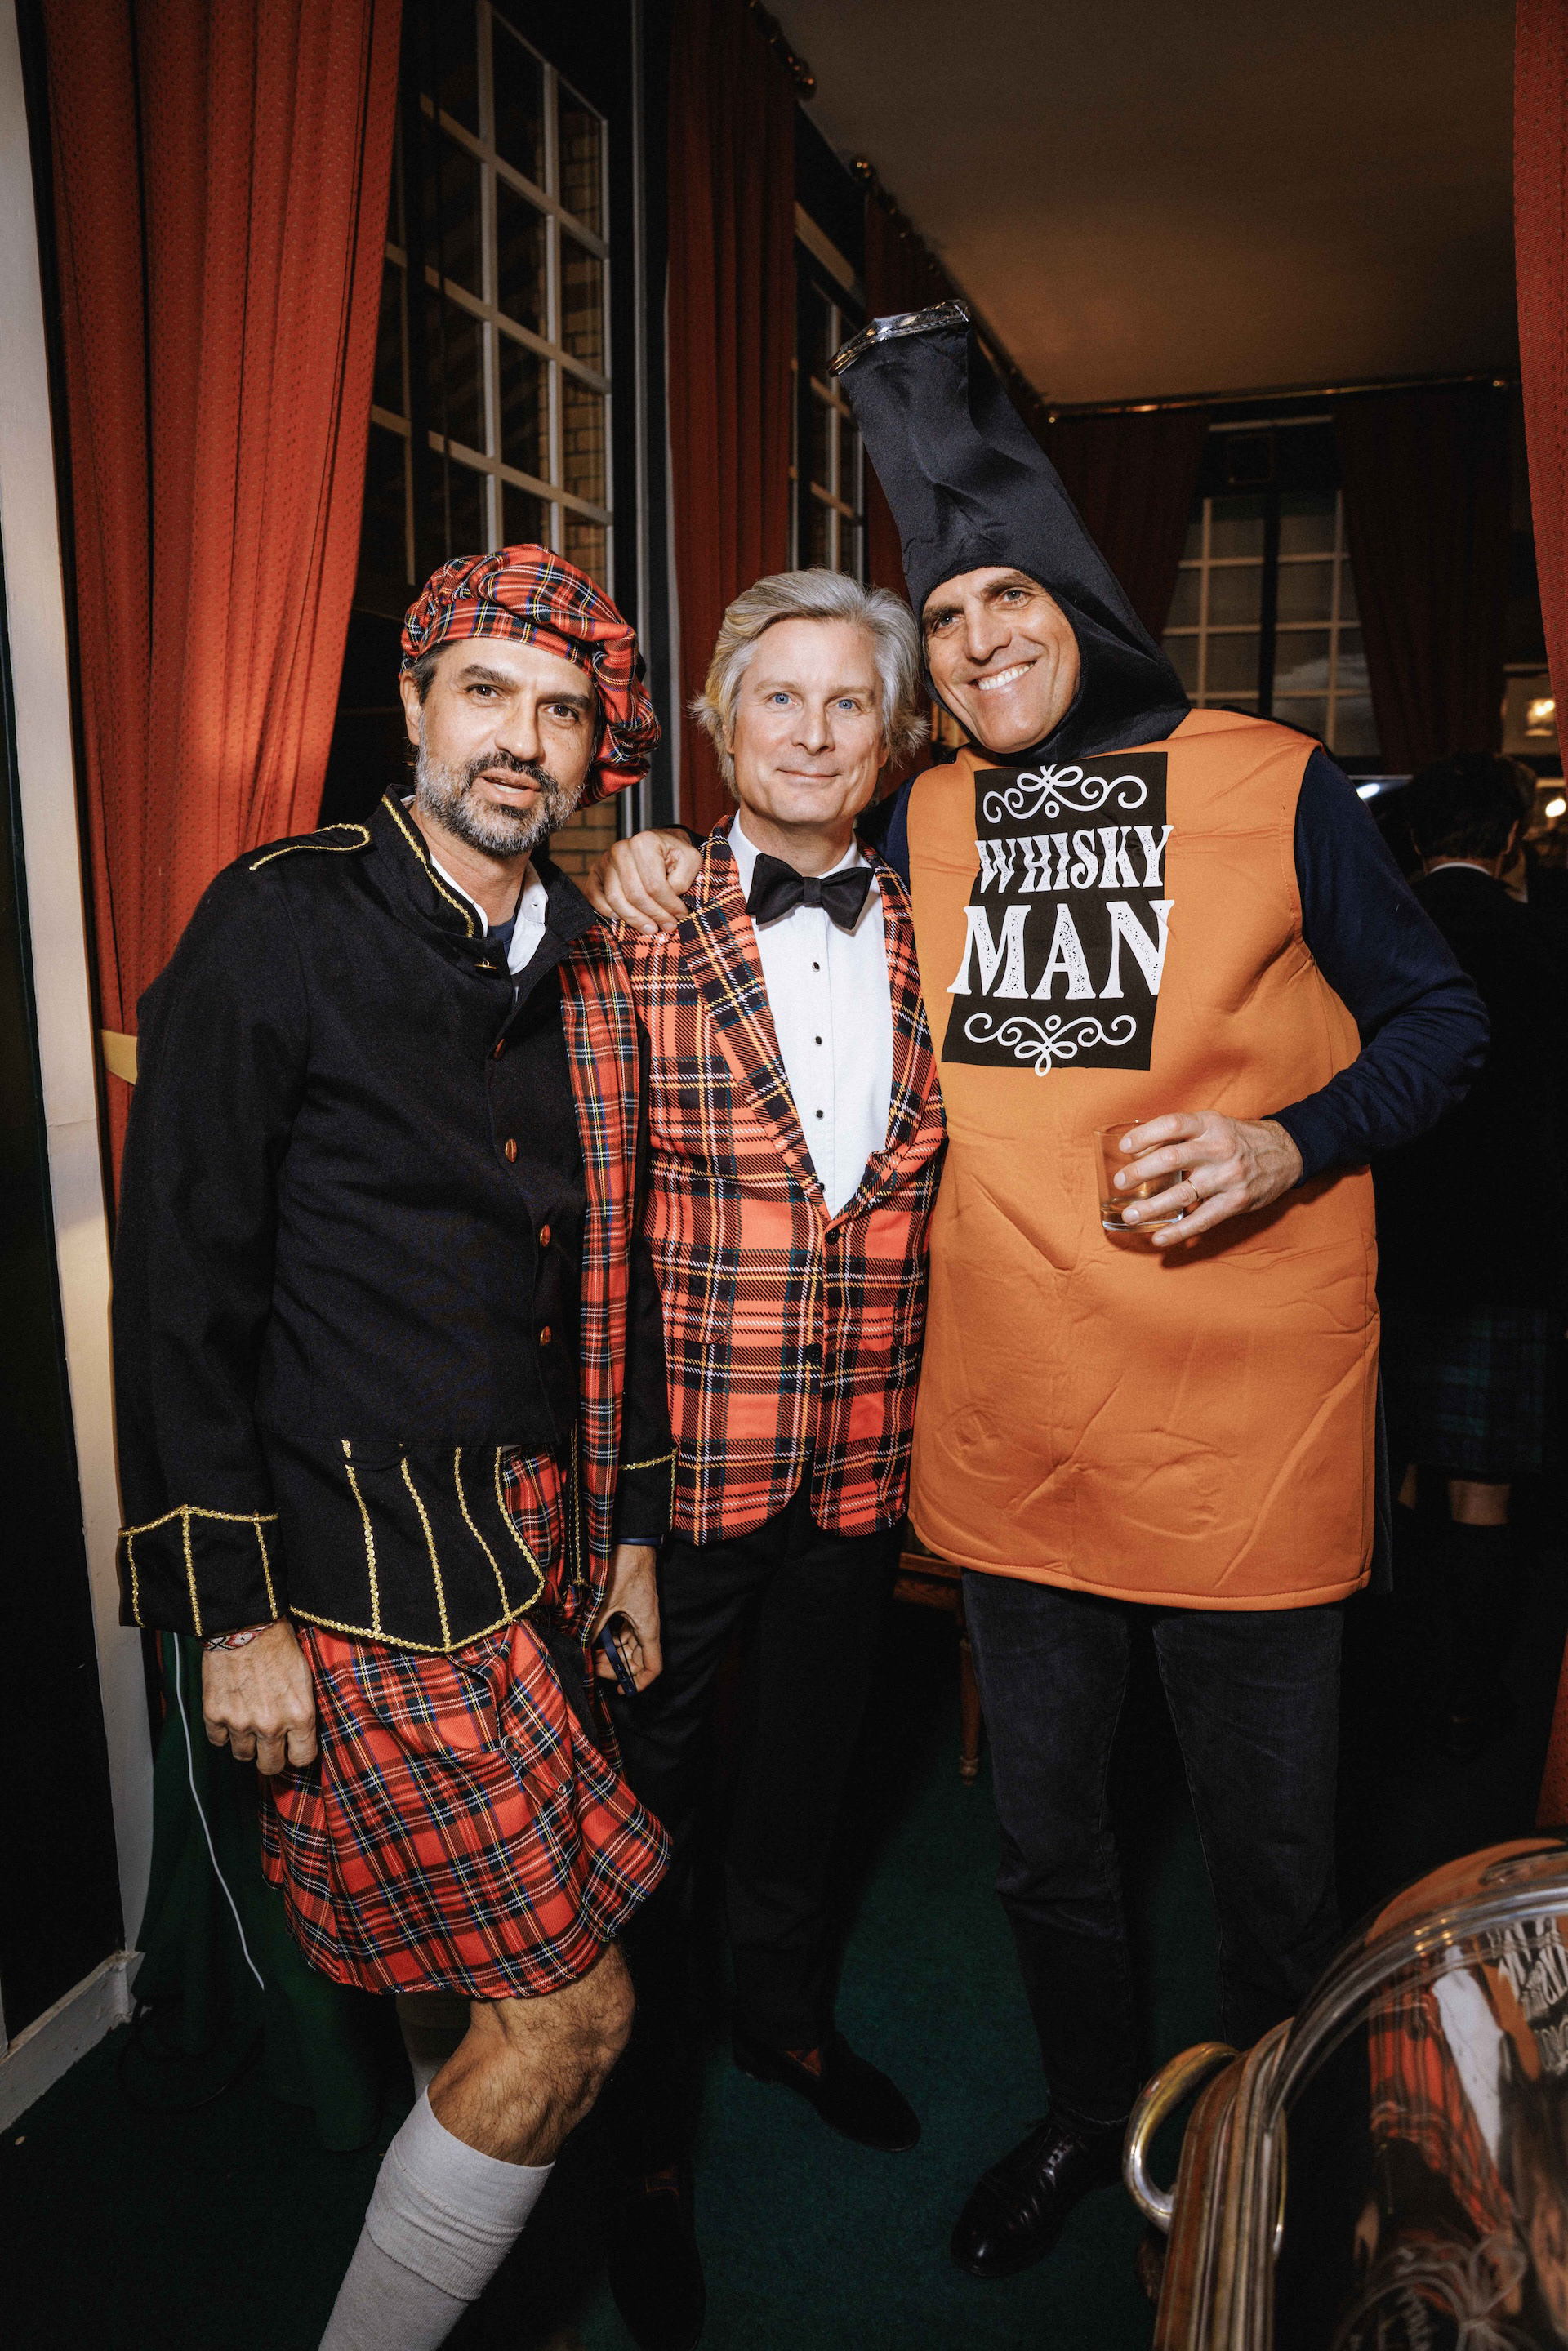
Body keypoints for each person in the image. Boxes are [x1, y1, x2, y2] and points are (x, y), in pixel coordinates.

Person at [586, 302, 1490, 2282]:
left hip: (1246, 1436)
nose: (985, 639)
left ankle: (1260, 2172)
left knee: (1270, 1863)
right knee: (1045, 1839)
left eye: (1013, 597)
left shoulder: (1278, 780)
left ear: (1083, 599)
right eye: (951, 615)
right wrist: (635, 855)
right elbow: (759, 902)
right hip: (1007, 1438)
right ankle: (1091, 2108)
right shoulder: (923, 816)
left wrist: (1291, 1141)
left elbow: (1447, 1025)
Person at [112, 545, 677, 2351]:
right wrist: (235, 1612)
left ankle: (468, 2269)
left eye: (564, 709)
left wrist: (629, 1532)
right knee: (575, 2018)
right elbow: (180, 1283)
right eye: (487, 691)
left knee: (468, 1990)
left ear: (596, 752)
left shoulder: (584, 950)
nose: (523, 737)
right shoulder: (276, 918)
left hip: (536, 1536)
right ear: (416, 705)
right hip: (359, 1570)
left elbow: (606, 1267)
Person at [600, 570, 946, 2351]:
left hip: (867, 1459)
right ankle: (643, 2138)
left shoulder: (949, 931)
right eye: (780, 699)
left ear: (894, 736)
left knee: (810, 1771)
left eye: (848, 701)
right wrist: (616, 1500)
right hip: (681, 1478)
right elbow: (588, 1232)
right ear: (722, 728)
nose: (814, 733)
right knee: (649, 1814)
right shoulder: (631, 922)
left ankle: (787, 2019)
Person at [1374, 754, 1567, 1759]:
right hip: (1512, 1252)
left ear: (1414, 837)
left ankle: (1397, 1685)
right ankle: (1470, 1698)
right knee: (1484, 1489)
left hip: (1391, 1244)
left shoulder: (1376, 936)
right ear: (1510, 838)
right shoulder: (1548, 942)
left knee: (1398, 1476)